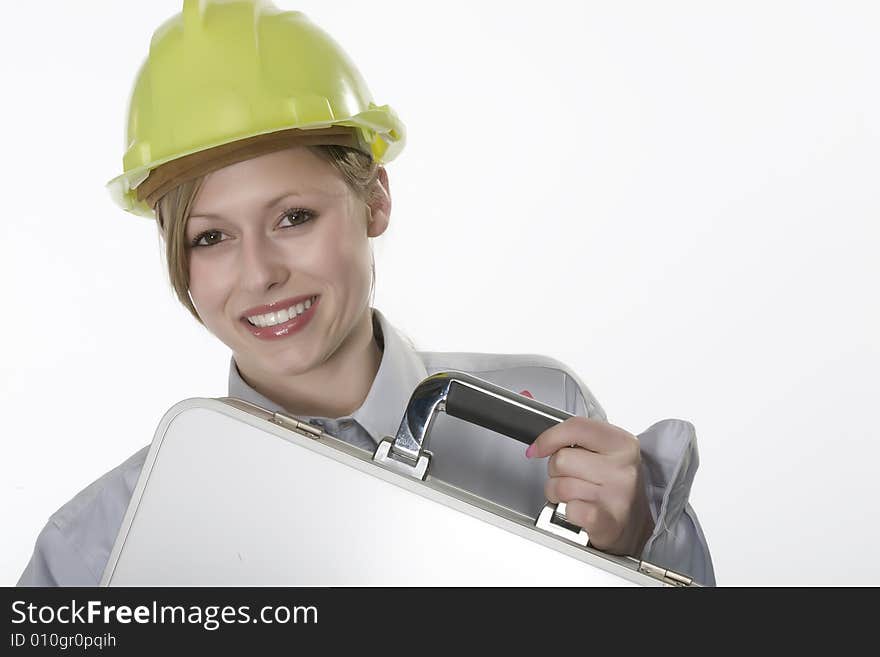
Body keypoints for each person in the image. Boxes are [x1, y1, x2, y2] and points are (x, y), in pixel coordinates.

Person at [17, 0, 715, 586]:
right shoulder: (100, 545)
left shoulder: (545, 427)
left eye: (294, 217)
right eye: (211, 238)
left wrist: (642, 546)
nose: (258, 273)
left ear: (374, 200)